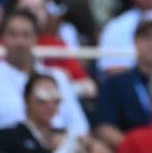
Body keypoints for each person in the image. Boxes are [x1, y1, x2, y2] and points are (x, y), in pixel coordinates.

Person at [0, 9, 89, 137]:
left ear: (36, 38)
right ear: (3, 37)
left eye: (26, 35)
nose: (19, 42)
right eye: (13, 35)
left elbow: (79, 126)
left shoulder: (57, 77)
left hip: (62, 149)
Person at [95, 9, 152, 150]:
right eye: (146, 37)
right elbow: (105, 128)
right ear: (135, 41)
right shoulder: (115, 84)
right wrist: (140, 149)